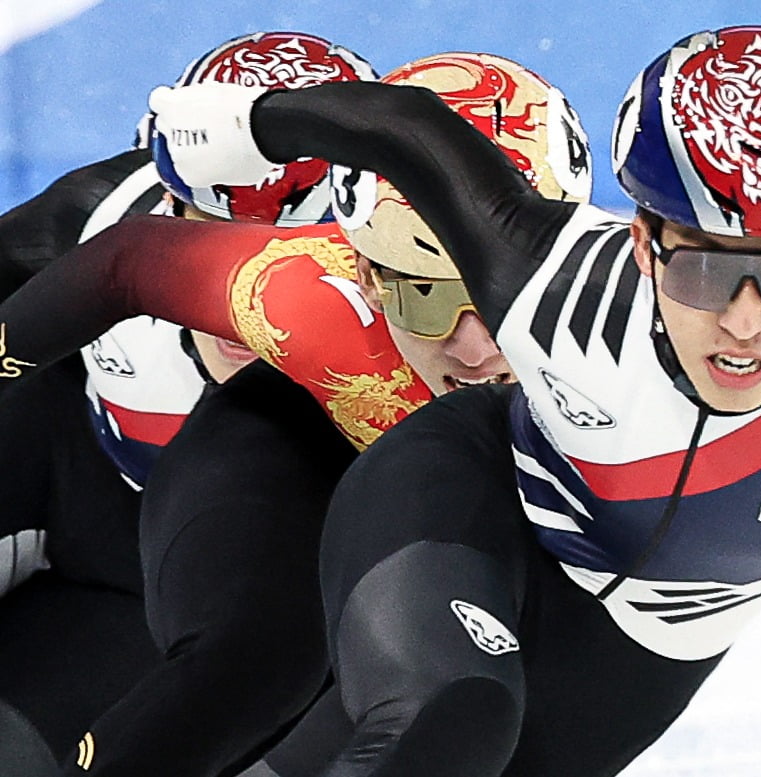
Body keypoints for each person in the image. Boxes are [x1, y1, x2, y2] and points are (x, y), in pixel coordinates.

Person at [126, 24, 761, 777]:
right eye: (709, 267)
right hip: (462, 497)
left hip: (631, 658)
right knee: (449, 721)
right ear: (642, 241)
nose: (744, 321)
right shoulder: (552, 271)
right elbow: (401, 126)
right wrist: (253, 120)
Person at [0, 52, 591, 777]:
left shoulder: (614, 338)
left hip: (234, 559)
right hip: (115, 478)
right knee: (260, 660)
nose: (470, 346)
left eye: (495, 304)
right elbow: (127, 260)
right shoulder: (273, 278)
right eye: (424, 295)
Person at [0, 30, 376, 766]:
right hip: (74, 472)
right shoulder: (107, 212)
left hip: (182, 585)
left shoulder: (433, 299)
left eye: (286, 256)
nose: (237, 296)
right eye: (209, 237)